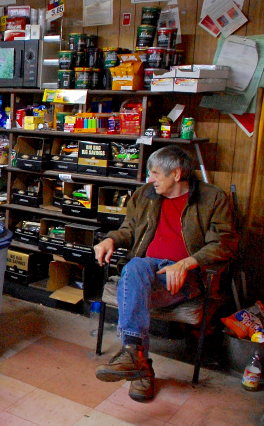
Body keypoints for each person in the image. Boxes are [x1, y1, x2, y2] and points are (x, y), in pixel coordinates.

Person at [93, 146, 238, 401]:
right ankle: (137, 360)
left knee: (134, 288)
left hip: (186, 277)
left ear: (177, 174)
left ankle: (139, 366)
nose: (150, 179)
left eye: (156, 173)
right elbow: (128, 229)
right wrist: (110, 239)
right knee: (136, 269)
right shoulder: (144, 195)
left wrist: (186, 263)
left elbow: (223, 244)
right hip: (145, 272)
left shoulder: (212, 198)